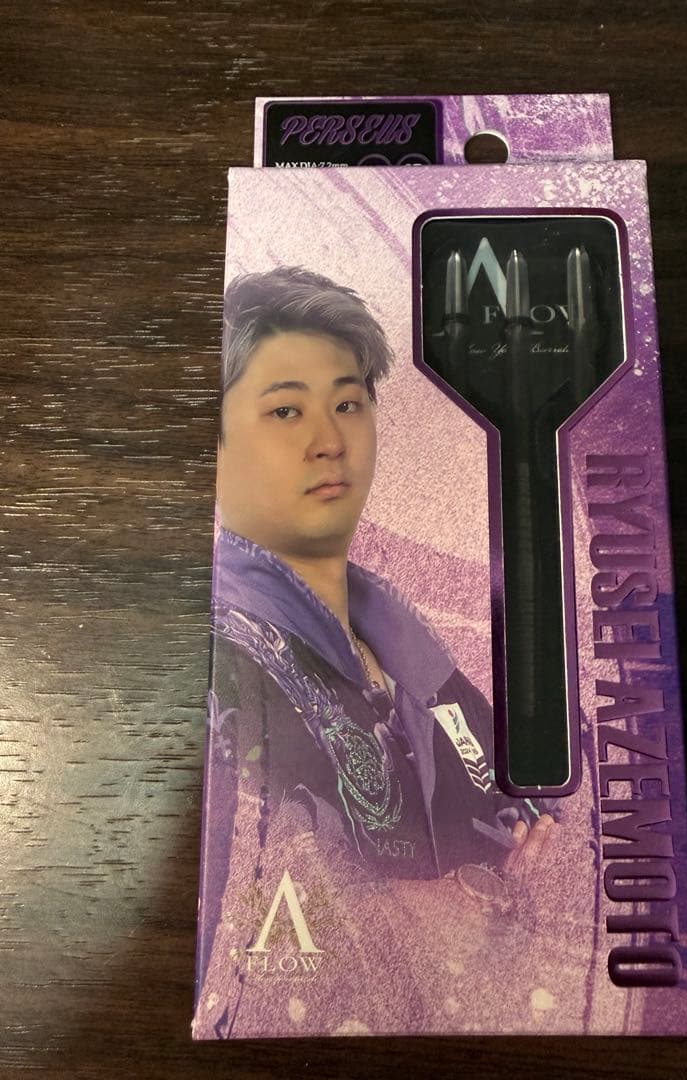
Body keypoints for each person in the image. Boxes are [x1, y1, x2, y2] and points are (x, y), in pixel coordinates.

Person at [199, 267, 558, 1003]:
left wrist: (534, 831)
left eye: (348, 403)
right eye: (286, 411)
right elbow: (237, 933)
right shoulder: (220, 664)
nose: (330, 440)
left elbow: (518, 783)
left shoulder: (400, 635)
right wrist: (423, 911)